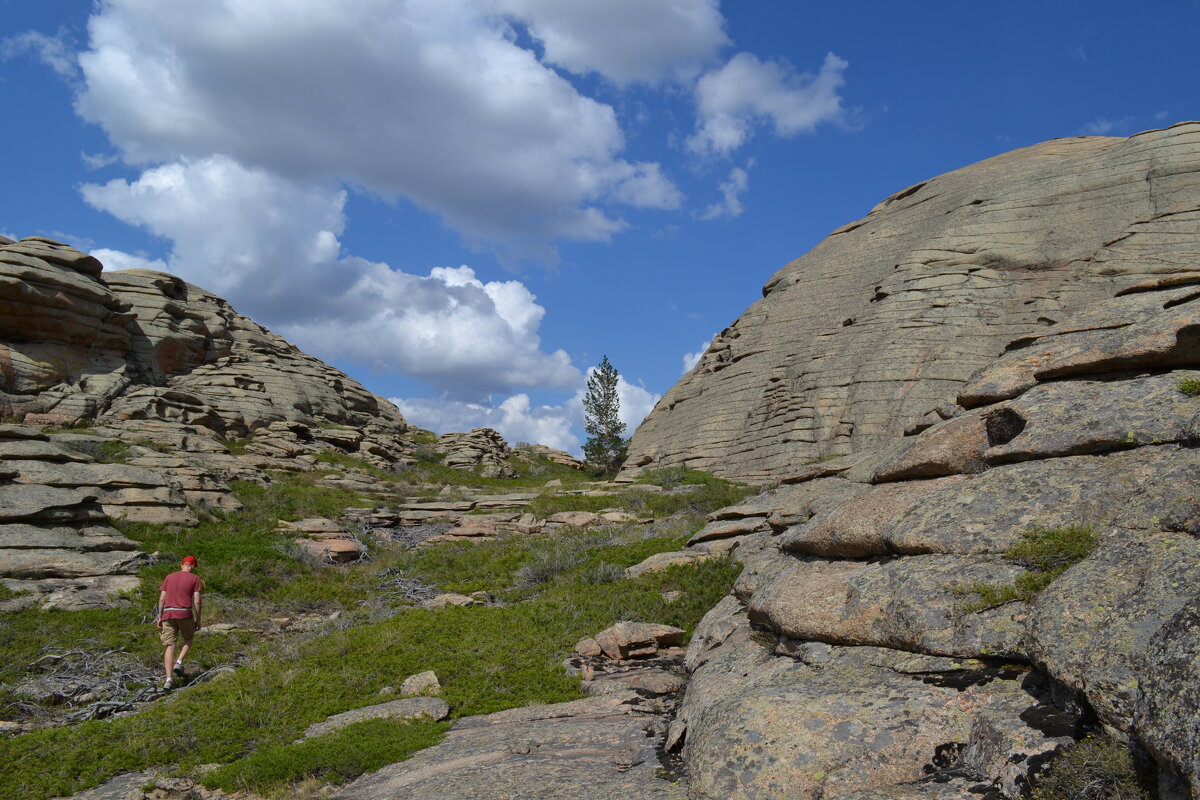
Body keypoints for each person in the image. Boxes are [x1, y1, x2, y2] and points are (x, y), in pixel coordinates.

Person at [156, 555, 203, 690]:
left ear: (182, 565)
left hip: (168, 613)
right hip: (184, 613)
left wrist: (160, 617)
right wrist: (198, 619)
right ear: (193, 566)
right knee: (188, 638)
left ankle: (168, 680)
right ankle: (179, 661)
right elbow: (197, 601)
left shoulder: (169, 577)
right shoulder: (195, 578)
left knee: (169, 645)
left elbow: (162, 598)